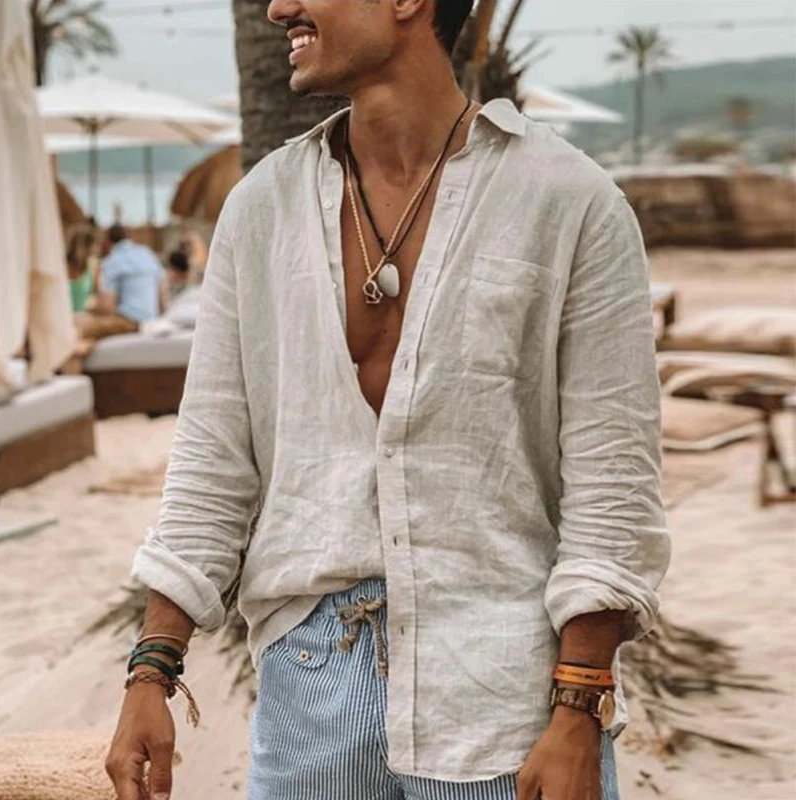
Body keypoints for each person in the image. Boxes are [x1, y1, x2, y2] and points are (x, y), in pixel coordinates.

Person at [106, 3, 670, 800]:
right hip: (310, 693)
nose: (278, 7)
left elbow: (613, 483)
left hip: (505, 691)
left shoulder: (568, 201)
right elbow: (211, 460)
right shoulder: (262, 210)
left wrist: (579, 703)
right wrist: (151, 671)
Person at [75, 223, 164, 341]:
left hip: (130, 322)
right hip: (153, 319)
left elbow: (107, 307)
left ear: (107, 241)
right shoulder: (147, 253)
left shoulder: (112, 261)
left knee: (76, 326)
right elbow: (162, 291)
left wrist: (91, 308)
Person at [65, 226, 98, 313]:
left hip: (81, 318)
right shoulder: (62, 266)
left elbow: (96, 296)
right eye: (90, 247)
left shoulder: (92, 267)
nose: (94, 250)